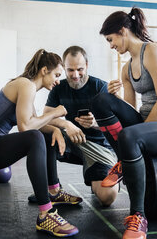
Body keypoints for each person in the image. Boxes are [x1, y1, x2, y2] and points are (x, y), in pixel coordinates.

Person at [92, 7, 157, 239]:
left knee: (130, 136)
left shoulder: (152, 51)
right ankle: (125, 162)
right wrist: (116, 98)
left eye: (110, 39)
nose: (111, 45)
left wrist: (136, 131)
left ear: (123, 31)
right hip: (147, 125)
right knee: (101, 100)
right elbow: (132, 110)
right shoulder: (126, 68)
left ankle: (139, 217)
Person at [0, 49, 82, 237]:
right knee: (34, 137)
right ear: (44, 71)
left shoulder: (26, 87)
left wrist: (57, 129)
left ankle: (54, 191)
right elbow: (26, 128)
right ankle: (46, 214)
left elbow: (37, 122)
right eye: (56, 75)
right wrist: (55, 112)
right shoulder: (25, 85)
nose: (58, 80)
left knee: (44, 135)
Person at [29, 46, 119, 206]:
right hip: (71, 141)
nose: (75, 75)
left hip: (99, 146)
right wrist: (66, 124)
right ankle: (52, 190)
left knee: (108, 197)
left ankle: (96, 177)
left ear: (87, 66)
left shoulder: (100, 87)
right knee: (42, 134)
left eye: (80, 69)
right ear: (64, 67)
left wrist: (95, 123)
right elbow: (45, 118)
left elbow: (116, 123)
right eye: (70, 70)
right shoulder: (58, 88)